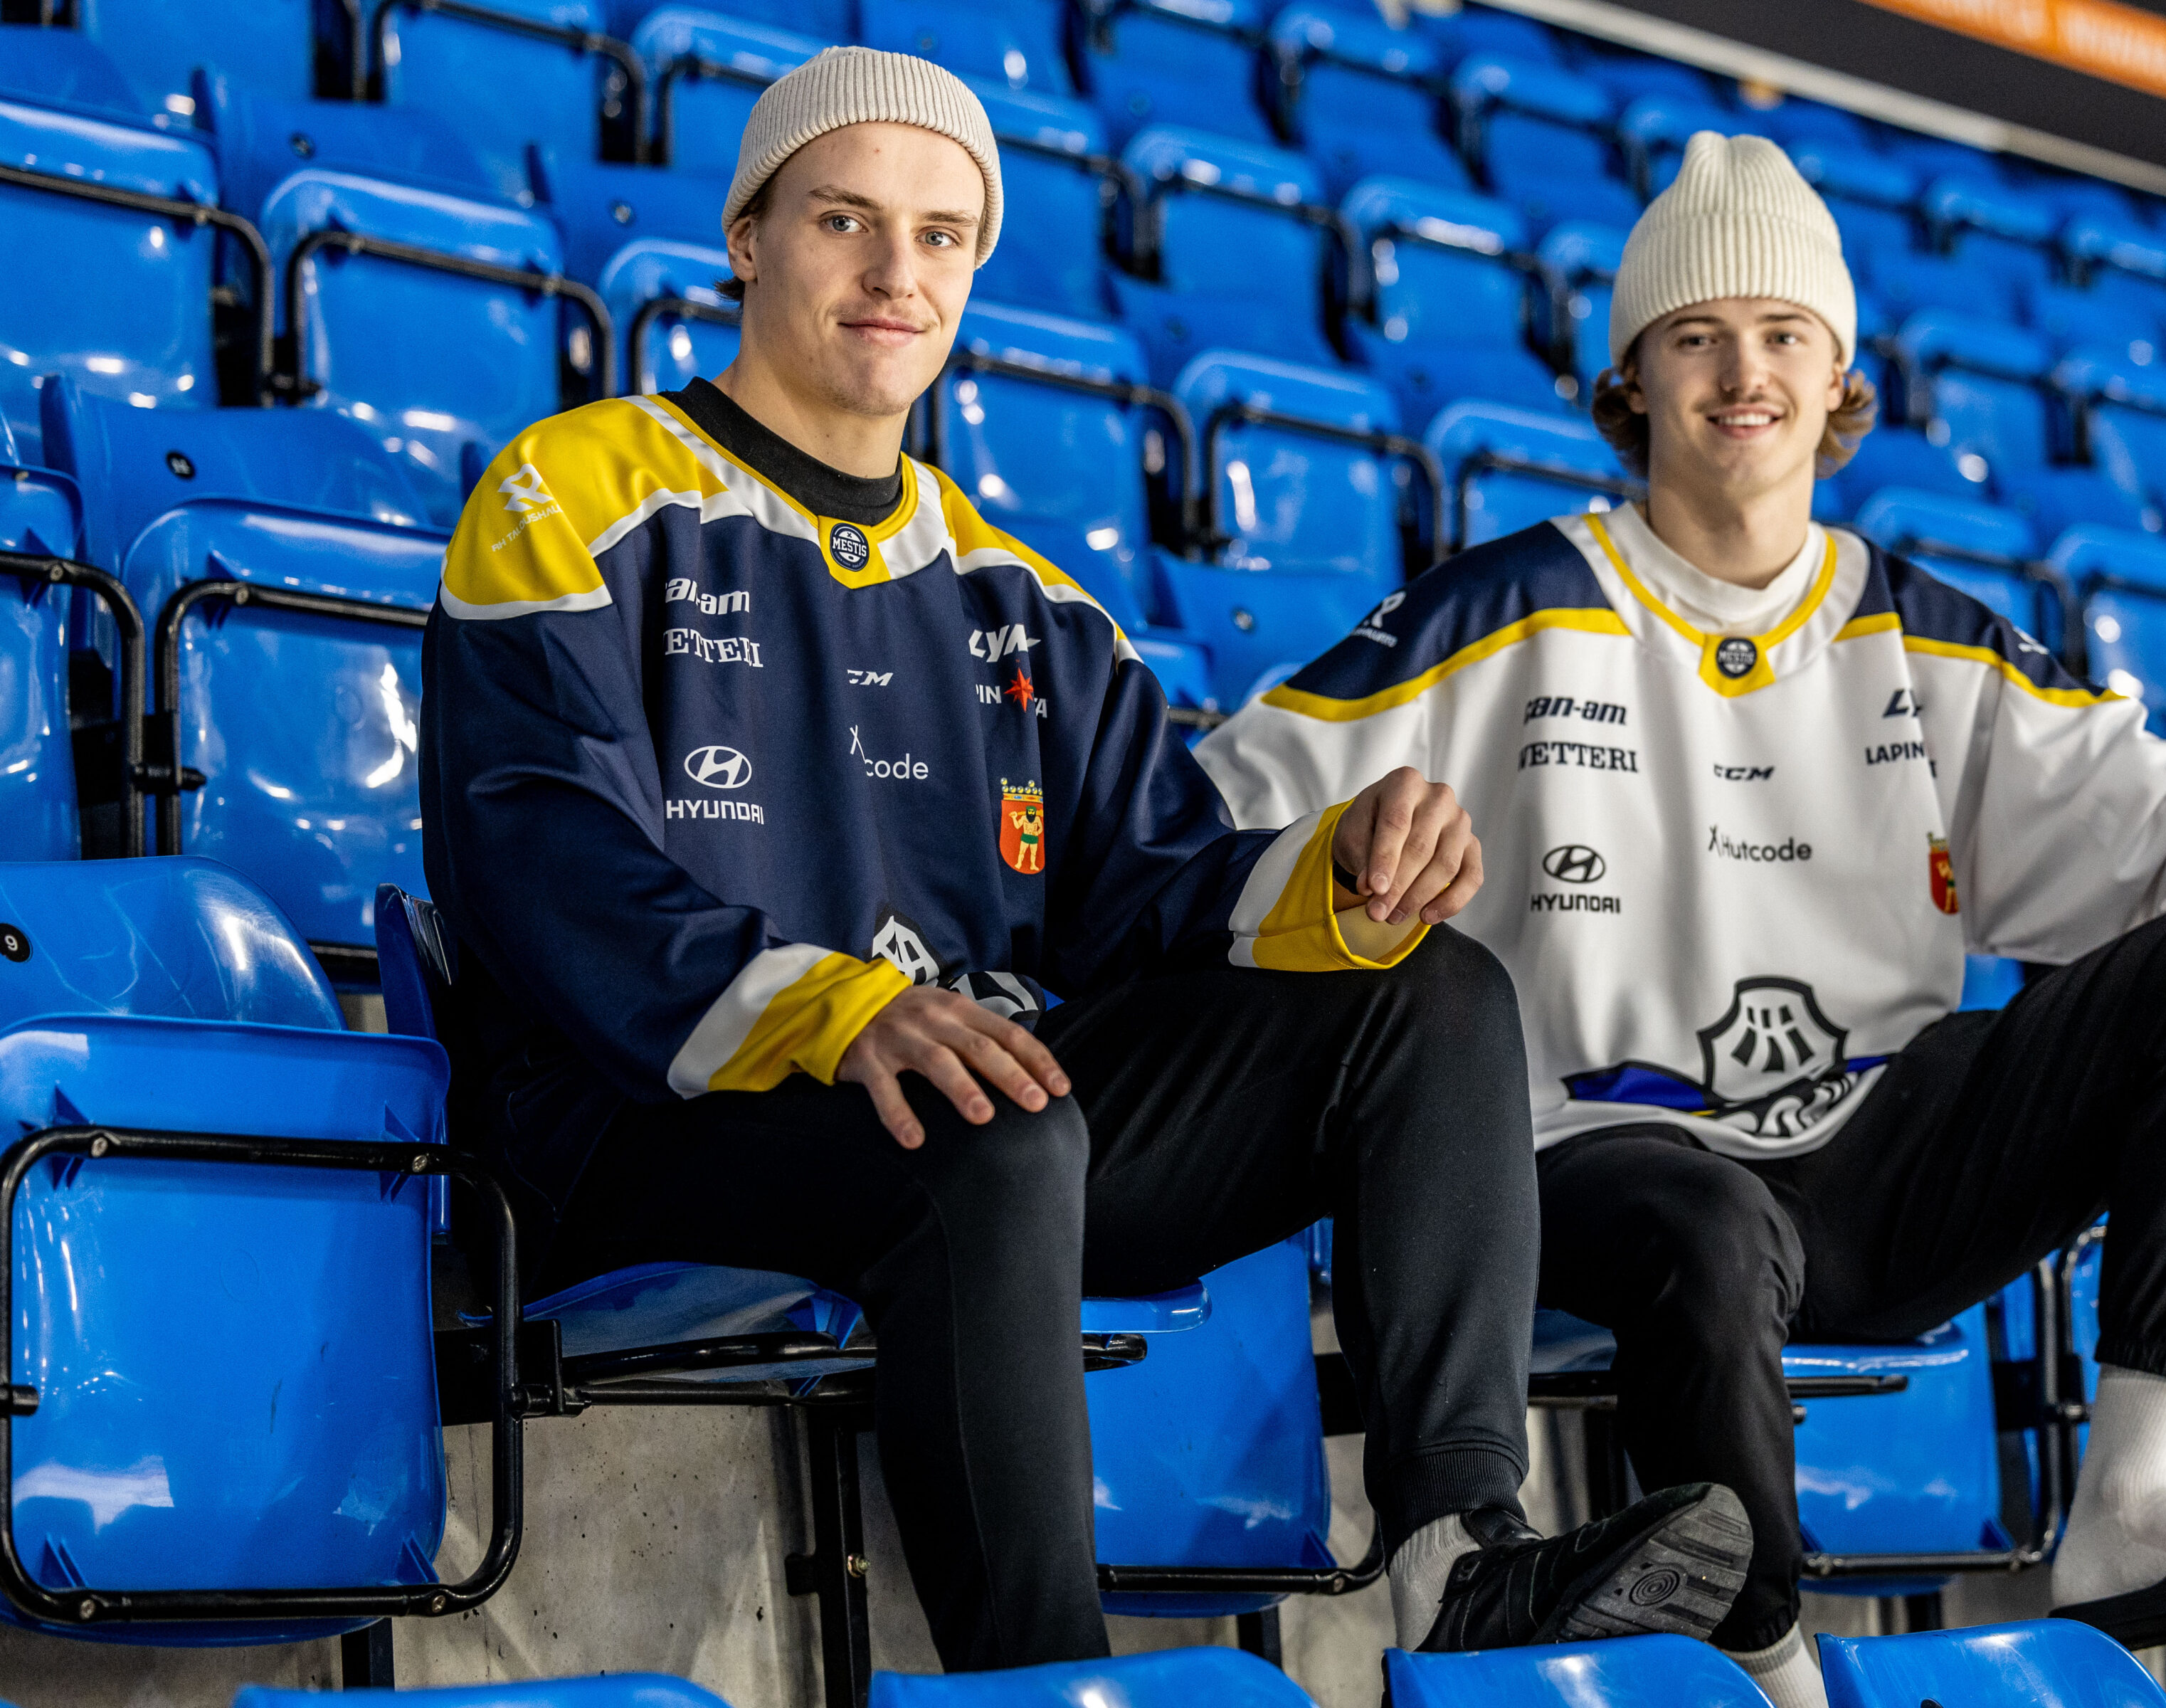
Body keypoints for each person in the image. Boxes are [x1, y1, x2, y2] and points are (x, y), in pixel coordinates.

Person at [418, 47, 1755, 1671]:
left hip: (985, 1126)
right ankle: (1046, 1676)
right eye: (844, 219)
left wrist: (1343, 875)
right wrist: (837, 1009)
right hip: (645, 1129)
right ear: (748, 238)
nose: (895, 271)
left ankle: (1462, 1554)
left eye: (940, 234)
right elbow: (540, 853)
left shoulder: (1023, 598)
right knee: (985, 1120)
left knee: (1433, 993)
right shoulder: (572, 491)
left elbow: (1159, 891)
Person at [1197, 131, 2166, 1707]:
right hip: (1594, 1165)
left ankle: (2129, 1505)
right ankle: (1769, 1666)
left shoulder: (1922, 631)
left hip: (1874, 1170)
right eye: (1695, 336)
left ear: (1840, 374)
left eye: (1784, 333)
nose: (1743, 374)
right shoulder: (1499, 606)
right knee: (1702, 1222)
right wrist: (1351, 849)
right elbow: (1218, 804)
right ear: (1631, 377)